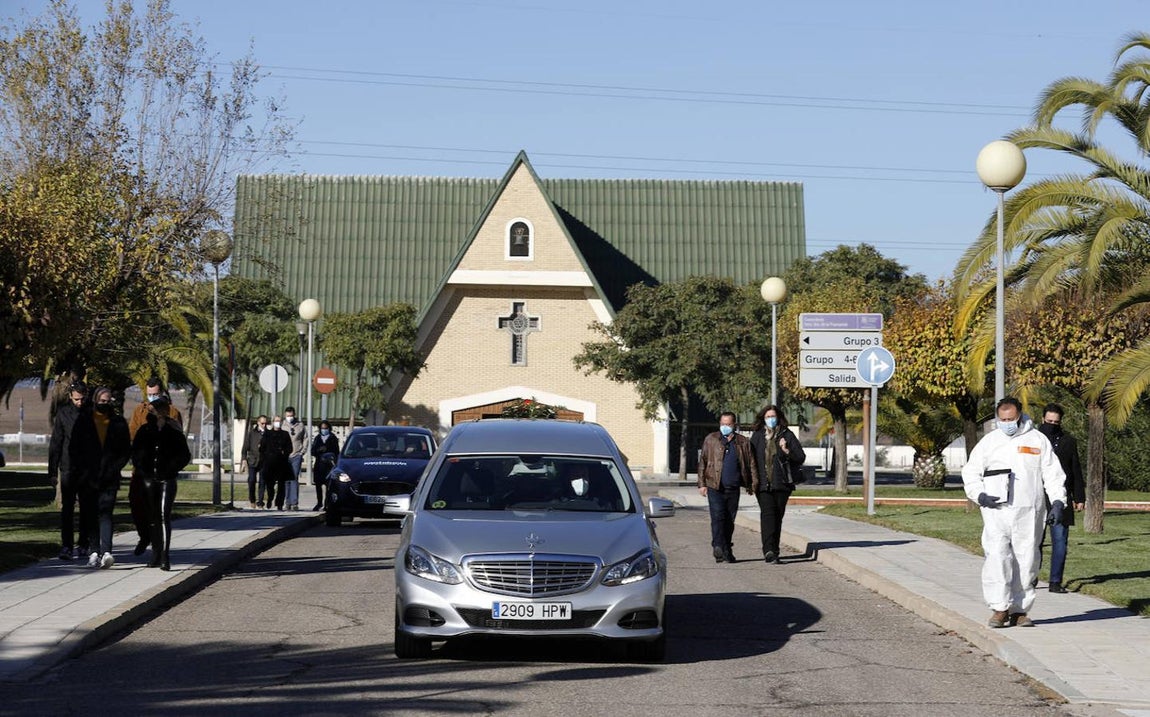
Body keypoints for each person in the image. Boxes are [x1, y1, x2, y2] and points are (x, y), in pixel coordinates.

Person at [962, 397, 1067, 628]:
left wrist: (1058, 501)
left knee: (1027, 558)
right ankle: (999, 608)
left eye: (1011, 419)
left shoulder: (1038, 440)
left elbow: (1052, 473)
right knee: (997, 557)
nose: (1007, 423)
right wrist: (978, 494)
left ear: (1020, 416)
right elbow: (970, 472)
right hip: (996, 512)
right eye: (1003, 419)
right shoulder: (990, 442)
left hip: (1029, 512)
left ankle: (1020, 610)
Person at [73, 387, 131, 568]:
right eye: (102, 401)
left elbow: (125, 451)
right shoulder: (84, 421)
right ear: (95, 400)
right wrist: (81, 470)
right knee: (90, 515)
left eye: (108, 401)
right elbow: (74, 448)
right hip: (88, 478)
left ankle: (106, 551)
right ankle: (94, 551)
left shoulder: (118, 422)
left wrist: (114, 468)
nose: (104, 404)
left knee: (106, 514)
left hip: (109, 477)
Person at [131, 396, 190, 570]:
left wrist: (171, 468)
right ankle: (155, 553)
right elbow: (136, 453)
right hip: (148, 479)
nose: (153, 414)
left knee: (164, 517)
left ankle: (165, 555)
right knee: (152, 517)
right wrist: (142, 469)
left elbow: (184, 455)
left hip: (167, 478)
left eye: (156, 411)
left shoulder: (173, 431)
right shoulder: (144, 430)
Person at [128, 377, 183, 555]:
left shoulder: (173, 413)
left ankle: (160, 553)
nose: (152, 398)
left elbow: (179, 443)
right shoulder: (139, 411)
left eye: (156, 394)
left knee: (160, 513)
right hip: (143, 470)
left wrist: (172, 466)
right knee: (137, 504)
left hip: (164, 471)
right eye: (150, 394)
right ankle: (145, 536)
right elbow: (133, 436)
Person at [1037, 403, 1086, 594]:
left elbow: (1075, 469)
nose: (1052, 424)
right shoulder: (1035, 440)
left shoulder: (1068, 441)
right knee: (1035, 540)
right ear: (1042, 419)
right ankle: (1031, 576)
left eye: (1055, 422)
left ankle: (1055, 581)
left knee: (1060, 540)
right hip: (1038, 496)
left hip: (1061, 496)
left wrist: (1079, 496)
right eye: (1049, 421)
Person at [697, 412, 757, 564]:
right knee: (718, 517)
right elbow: (703, 462)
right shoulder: (711, 439)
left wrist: (752, 484)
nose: (725, 427)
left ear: (734, 425)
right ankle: (717, 545)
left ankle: (726, 549)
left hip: (733, 488)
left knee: (729, 520)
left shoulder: (743, 442)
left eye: (728, 424)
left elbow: (751, 464)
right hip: (714, 487)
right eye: (723, 424)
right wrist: (702, 484)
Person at [750, 405, 806, 564]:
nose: (770, 419)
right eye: (767, 416)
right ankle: (768, 550)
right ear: (763, 418)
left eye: (773, 416)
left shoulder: (787, 435)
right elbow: (751, 460)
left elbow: (800, 457)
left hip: (782, 484)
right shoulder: (758, 436)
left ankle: (775, 549)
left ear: (779, 417)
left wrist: (786, 450)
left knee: (777, 518)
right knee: (767, 516)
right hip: (763, 485)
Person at [47, 381, 92, 560]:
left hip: (87, 468)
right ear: (71, 397)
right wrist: (52, 471)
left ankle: (83, 544)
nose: (79, 402)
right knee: (67, 509)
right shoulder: (63, 413)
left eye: (82, 399)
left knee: (86, 508)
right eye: (76, 399)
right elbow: (56, 443)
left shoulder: (91, 413)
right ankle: (66, 546)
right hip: (67, 467)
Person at [259, 415, 293, 510]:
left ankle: (279, 503)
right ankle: (270, 498)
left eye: (279, 421)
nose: (277, 423)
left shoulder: (285, 434)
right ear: (272, 422)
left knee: (281, 485)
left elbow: (290, 448)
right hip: (270, 463)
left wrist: (284, 452)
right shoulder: (267, 434)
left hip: (281, 463)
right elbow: (262, 447)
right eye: (276, 421)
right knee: (270, 484)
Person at [239, 415, 269, 509]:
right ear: (258, 422)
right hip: (253, 460)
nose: (264, 425)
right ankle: (252, 499)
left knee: (263, 482)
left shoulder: (269, 434)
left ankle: (260, 502)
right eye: (262, 423)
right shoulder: (252, 433)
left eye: (265, 423)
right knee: (251, 480)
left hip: (264, 461)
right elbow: (245, 447)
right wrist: (244, 459)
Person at [310, 420, 339, 511]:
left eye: (325, 428)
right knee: (318, 485)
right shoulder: (318, 438)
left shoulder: (332, 438)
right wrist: (319, 450)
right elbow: (313, 451)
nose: (324, 430)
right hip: (319, 465)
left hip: (329, 466)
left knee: (328, 486)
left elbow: (336, 451)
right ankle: (319, 503)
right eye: (322, 428)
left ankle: (327, 503)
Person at [283, 407, 306, 510]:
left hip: (296, 455)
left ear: (294, 415)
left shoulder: (300, 425)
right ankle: (287, 501)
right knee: (285, 479)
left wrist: (302, 452)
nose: (289, 417)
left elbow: (305, 438)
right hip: (284, 456)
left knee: (294, 478)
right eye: (288, 416)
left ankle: (294, 502)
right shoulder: (282, 425)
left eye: (291, 415)